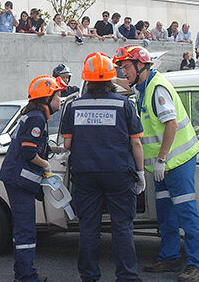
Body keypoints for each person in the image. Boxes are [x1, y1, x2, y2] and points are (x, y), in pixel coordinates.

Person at [113, 45, 199, 282]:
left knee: (186, 213)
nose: (124, 73)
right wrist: (106, 79)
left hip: (177, 161)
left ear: (141, 65)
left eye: (126, 67)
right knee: (165, 213)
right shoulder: (143, 87)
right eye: (122, 68)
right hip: (162, 165)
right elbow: (126, 85)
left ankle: (196, 264)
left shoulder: (157, 89)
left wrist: (162, 159)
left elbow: (171, 124)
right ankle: (170, 257)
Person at [62, 52, 145, 282]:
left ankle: (89, 276)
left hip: (86, 174)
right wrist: (140, 173)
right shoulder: (124, 104)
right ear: (111, 79)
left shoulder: (74, 106)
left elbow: (67, 144)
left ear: (87, 80)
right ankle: (127, 276)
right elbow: (136, 142)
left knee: (88, 228)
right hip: (119, 173)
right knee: (122, 227)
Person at [0, 75, 65, 282]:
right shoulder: (37, 118)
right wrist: (46, 165)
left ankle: (25, 272)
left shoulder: (34, 115)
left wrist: (57, 149)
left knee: (24, 228)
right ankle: (26, 276)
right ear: (47, 97)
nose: (61, 99)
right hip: (20, 182)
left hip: (17, 180)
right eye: (58, 94)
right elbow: (28, 152)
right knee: (25, 230)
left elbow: (34, 144)